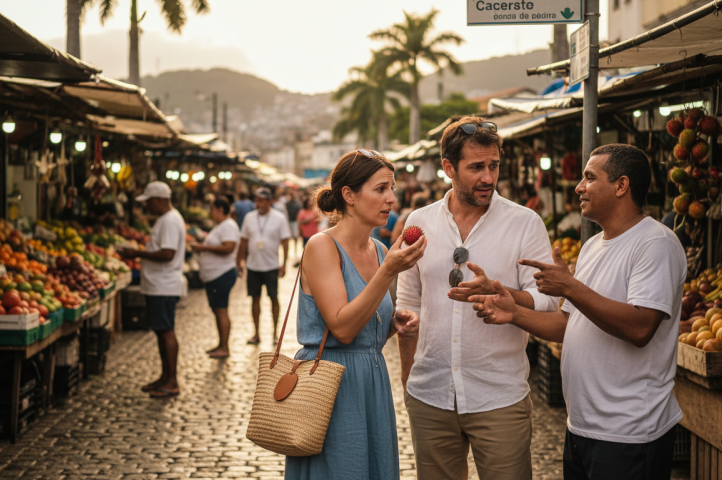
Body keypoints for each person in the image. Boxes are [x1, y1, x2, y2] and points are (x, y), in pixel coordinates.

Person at [473, 144, 686, 480]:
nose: (578, 186)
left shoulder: (655, 243)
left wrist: (570, 286)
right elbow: (566, 325)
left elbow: (641, 328)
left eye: (589, 177)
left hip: (628, 433)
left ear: (621, 186)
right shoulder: (592, 246)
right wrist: (513, 312)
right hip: (582, 427)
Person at [396, 116, 558, 480]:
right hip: (430, 395)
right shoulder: (418, 224)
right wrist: (410, 384)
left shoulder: (525, 223)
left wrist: (508, 298)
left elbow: (548, 300)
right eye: (476, 167)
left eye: (494, 165)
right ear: (448, 168)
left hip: (499, 396)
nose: (488, 177)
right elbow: (407, 305)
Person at [285, 148, 426, 480]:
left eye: (392, 188)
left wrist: (393, 326)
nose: (392, 199)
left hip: (371, 379)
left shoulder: (378, 249)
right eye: (380, 189)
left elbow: (365, 328)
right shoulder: (322, 246)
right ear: (348, 195)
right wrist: (388, 271)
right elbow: (343, 329)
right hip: (332, 383)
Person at [122, 181, 186, 398]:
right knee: (161, 331)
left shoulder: (169, 221)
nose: (147, 206)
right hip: (159, 284)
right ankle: (165, 377)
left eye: (149, 201)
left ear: (159, 200)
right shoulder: (167, 219)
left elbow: (168, 253)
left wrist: (137, 254)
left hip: (163, 285)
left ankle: (172, 381)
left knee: (166, 330)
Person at [237, 187, 291, 345]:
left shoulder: (279, 218)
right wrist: (239, 260)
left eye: (260, 200)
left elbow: (285, 241)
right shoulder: (249, 217)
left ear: (269, 201)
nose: (257, 203)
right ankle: (256, 333)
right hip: (253, 265)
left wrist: (284, 263)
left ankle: (275, 333)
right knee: (255, 299)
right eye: (256, 200)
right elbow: (243, 240)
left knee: (274, 298)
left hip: (271, 265)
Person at [192, 197, 239, 358]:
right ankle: (221, 344)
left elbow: (229, 247)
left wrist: (203, 247)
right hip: (216, 274)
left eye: (212, 209)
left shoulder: (228, 226)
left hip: (222, 274)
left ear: (220, 209)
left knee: (221, 310)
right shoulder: (222, 226)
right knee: (218, 310)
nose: (210, 213)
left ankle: (224, 347)